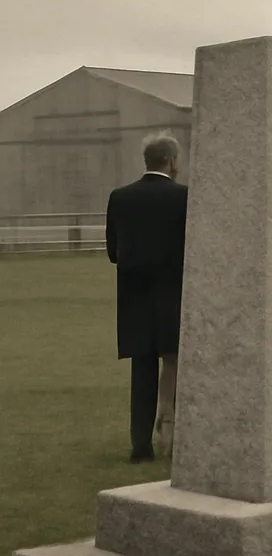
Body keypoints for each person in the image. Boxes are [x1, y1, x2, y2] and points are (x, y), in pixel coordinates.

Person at [105, 132, 189, 463]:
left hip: (135, 298)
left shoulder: (119, 197)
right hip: (174, 294)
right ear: (171, 161)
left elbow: (114, 251)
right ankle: (175, 436)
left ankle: (141, 445)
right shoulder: (185, 197)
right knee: (177, 364)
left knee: (142, 371)